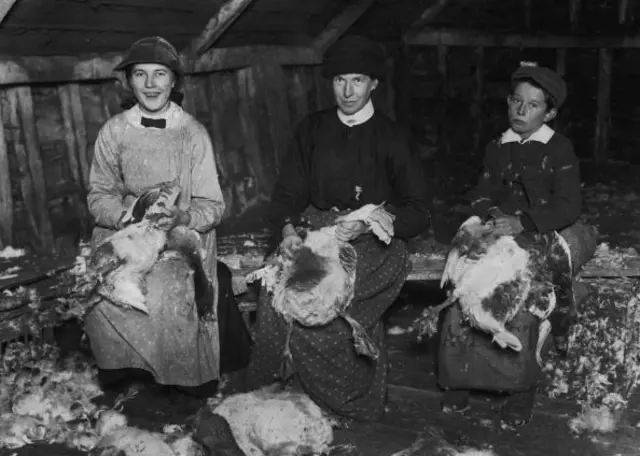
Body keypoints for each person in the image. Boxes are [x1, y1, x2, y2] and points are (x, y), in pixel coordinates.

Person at [246, 35, 431, 421]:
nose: (347, 91)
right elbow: (287, 193)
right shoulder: (311, 129)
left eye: (358, 81)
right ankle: (277, 398)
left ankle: (342, 403)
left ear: (374, 84)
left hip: (372, 240)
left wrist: (376, 221)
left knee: (331, 306)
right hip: (313, 230)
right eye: (339, 81)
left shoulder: (392, 136)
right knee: (276, 297)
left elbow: (419, 210)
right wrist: (287, 231)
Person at [84, 36, 251, 396]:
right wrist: (126, 216)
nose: (150, 84)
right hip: (126, 232)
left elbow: (213, 206)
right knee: (101, 289)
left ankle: (179, 383)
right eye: (140, 75)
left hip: (179, 236)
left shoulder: (192, 134)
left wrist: (180, 217)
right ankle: (125, 374)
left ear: (174, 81)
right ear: (128, 82)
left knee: (166, 289)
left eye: (159, 74)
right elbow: (99, 195)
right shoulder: (113, 132)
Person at [438, 62, 594, 426]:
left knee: (524, 303)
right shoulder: (498, 146)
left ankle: (519, 393)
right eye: (516, 101)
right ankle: (458, 383)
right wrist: (490, 215)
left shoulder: (559, 149)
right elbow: (480, 191)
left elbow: (568, 206)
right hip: (500, 232)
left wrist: (522, 222)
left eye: (533, 105)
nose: (521, 111)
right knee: (465, 296)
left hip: (539, 233)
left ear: (550, 112)